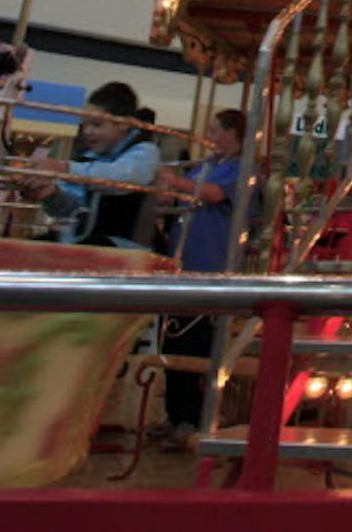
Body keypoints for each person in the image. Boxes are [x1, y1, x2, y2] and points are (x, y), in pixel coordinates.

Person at [155, 108, 246, 440]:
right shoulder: (208, 165)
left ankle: (194, 418)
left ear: (232, 133)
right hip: (184, 263)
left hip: (210, 266)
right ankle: (175, 413)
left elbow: (213, 194)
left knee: (197, 344)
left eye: (215, 129)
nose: (211, 135)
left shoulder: (239, 169)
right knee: (172, 338)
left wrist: (175, 181)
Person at [21, 81, 161, 246]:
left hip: (126, 245)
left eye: (97, 124)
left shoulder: (145, 151)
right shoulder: (88, 159)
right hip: (86, 239)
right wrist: (51, 195)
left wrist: (65, 168)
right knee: (31, 246)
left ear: (124, 123)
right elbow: (73, 210)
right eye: (84, 124)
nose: (88, 131)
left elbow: (123, 178)